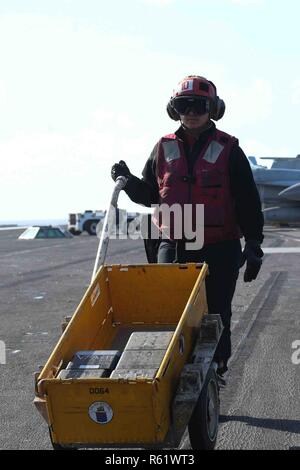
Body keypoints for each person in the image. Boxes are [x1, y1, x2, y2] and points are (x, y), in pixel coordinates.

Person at [111, 75, 264, 381]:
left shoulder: (229, 149)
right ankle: (173, 370)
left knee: (216, 311)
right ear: (174, 109)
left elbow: (248, 200)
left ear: (214, 109)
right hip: (173, 241)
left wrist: (254, 245)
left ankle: (216, 369)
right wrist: (127, 183)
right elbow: (151, 196)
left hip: (219, 245)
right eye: (184, 105)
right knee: (170, 309)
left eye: (199, 105)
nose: (191, 111)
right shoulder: (163, 148)